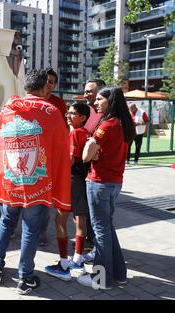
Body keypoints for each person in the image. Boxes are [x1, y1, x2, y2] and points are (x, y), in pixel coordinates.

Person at [0, 69, 71, 295]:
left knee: (6, 223)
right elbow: (63, 147)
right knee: (30, 230)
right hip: (38, 184)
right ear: (45, 86)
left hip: (11, 181)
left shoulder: (6, 110)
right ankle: (25, 278)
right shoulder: (51, 112)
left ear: (25, 86)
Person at [78, 87, 135, 290]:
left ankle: (101, 279)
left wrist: (91, 142)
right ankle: (119, 274)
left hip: (99, 182)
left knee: (101, 231)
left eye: (100, 99)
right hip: (114, 182)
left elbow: (86, 155)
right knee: (107, 228)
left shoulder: (108, 125)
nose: (96, 103)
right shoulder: (124, 124)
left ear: (110, 102)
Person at [44, 102, 91, 281]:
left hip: (70, 180)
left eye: (72, 113)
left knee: (59, 219)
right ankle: (78, 259)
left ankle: (63, 264)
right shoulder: (86, 133)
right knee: (80, 219)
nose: (68, 116)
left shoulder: (74, 133)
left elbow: (69, 161)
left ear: (83, 117)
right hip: (82, 180)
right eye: (68, 113)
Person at [39, 67, 69, 247]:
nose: (48, 84)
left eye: (52, 82)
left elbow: (64, 129)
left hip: (50, 157)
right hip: (32, 154)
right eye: (46, 81)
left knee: (45, 198)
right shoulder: (31, 101)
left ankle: (41, 233)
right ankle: (11, 227)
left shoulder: (59, 103)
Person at [79, 78, 106, 258]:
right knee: (87, 210)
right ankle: (91, 244)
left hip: (99, 173)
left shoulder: (107, 118)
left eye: (91, 91)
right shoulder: (87, 111)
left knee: (99, 216)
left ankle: (100, 255)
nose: (87, 94)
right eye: (86, 91)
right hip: (86, 168)